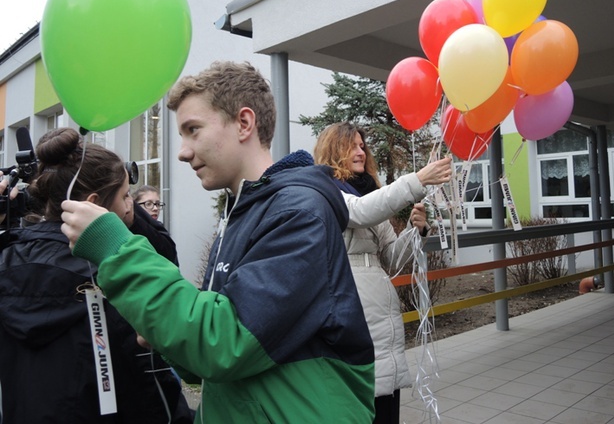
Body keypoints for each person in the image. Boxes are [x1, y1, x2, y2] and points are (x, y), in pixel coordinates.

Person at [60, 61, 376, 423]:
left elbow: (225, 342)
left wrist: (114, 246)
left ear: (244, 123)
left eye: (193, 130)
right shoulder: (242, 212)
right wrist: (166, 338)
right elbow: (205, 361)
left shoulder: (299, 212)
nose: (182, 151)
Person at [0, 127, 192, 423]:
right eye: (126, 195)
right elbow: (150, 394)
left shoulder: (7, 258)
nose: (132, 205)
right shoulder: (112, 277)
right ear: (92, 204)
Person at [314, 121, 452, 423]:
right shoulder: (328, 192)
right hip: (353, 310)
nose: (361, 151)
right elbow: (362, 211)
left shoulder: (369, 193)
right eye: (352, 145)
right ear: (333, 149)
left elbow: (392, 256)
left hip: (381, 315)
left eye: (362, 146)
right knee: (364, 402)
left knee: (387, 396)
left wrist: (416, 232)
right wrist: (417, 180)